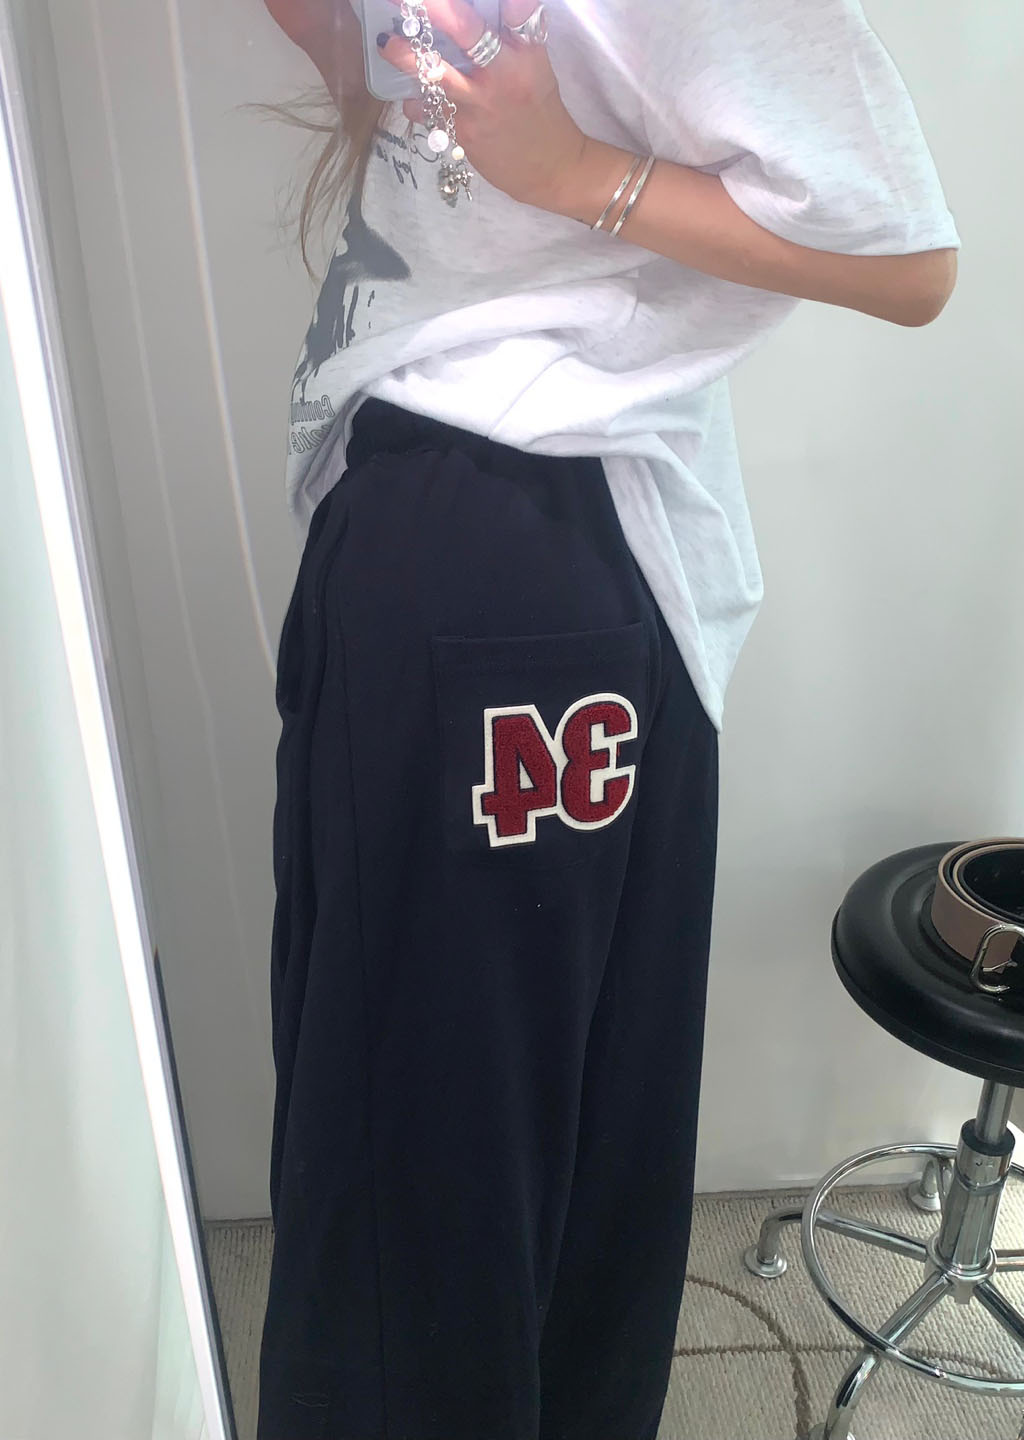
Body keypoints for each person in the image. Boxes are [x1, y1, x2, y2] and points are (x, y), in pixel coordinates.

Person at [255, 2, 960, 1436]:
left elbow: (906, 263)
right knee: (502, 1139)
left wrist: (579, 174)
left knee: (429, 1174)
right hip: (464, 520)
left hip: (520, 539)